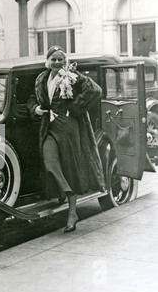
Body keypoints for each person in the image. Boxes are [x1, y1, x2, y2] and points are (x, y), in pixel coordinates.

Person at [28, 46, 106, 233]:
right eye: (53, 59)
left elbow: (95, 90)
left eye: (60, 60)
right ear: (47, 61)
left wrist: (75, 109)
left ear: (65, 61)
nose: (56, 63)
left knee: (70, 168)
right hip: (49, 127)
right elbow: (32, 98)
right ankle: (68, 191)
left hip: (68, 127)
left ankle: (72, 213)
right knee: (50, 163)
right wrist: (35, 109)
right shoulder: (41, 78)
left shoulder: (72, 75)